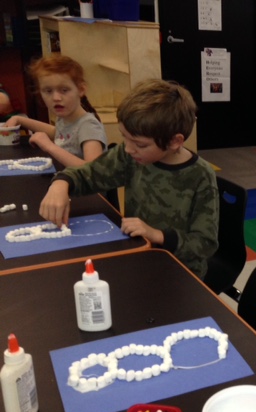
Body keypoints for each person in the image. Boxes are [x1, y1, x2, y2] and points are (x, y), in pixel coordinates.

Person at [39, 79, 219, 279]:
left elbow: (205, 243)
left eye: (140, 144)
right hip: (139, 256)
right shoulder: (130, 156)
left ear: (175, 141)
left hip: (180, 272)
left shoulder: (199, 176)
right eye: (124, 138)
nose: (128, 148)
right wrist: (61, 183)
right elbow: (91, 174)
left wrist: (156, 235)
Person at [5, 55, 107, 167]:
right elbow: (59, 133)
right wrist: (20, 120)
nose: (56, 98)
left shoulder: (89, 126)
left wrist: (49, 146)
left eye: (64, 90)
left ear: (81, 90)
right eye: (48, 91)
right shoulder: (66, 118)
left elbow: (93, 172)